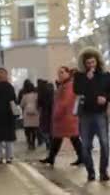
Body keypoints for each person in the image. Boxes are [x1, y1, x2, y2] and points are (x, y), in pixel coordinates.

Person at [73, 47, 109, 181]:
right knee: (86, 145)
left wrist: (105, 98)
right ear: (84, 63)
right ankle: (91, 172)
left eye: (93, 62)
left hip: (100, 114)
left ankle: (103, 172)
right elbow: (77, 91)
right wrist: (87, 79)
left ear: (97, 61)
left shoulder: (105, 75)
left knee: (105, 144)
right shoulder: (79, 76)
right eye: (88, 63)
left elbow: (108, 91)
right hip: (86, 114)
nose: (91, 65)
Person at [40, 66, 83, 167]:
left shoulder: (69, 85)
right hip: (65, 118)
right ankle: (52, 158)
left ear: (68, 73)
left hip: (66, 117)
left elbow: (65, 102)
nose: (60, 75)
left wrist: (56, 114)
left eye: (62, 72)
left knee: (72, 138)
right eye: (59, 73)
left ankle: (81, 157)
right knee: (63, 138)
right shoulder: (63, 85)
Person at [20, 80, 39, 150]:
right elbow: (39, 104)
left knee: (27, 130)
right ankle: (33, 143)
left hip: (27, 114)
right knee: (34, 130)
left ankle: (29, 143)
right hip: (35, 114)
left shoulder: (25, 96)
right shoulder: (36, 95)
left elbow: (21, 104)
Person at [37, 79, 54, 150]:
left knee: (44, 128)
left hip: (45, 112)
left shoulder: (41, 92)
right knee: (50, 128)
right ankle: (50, 142)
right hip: (51, 112)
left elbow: (39, 103)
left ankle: (48, 142)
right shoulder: (53, 93)